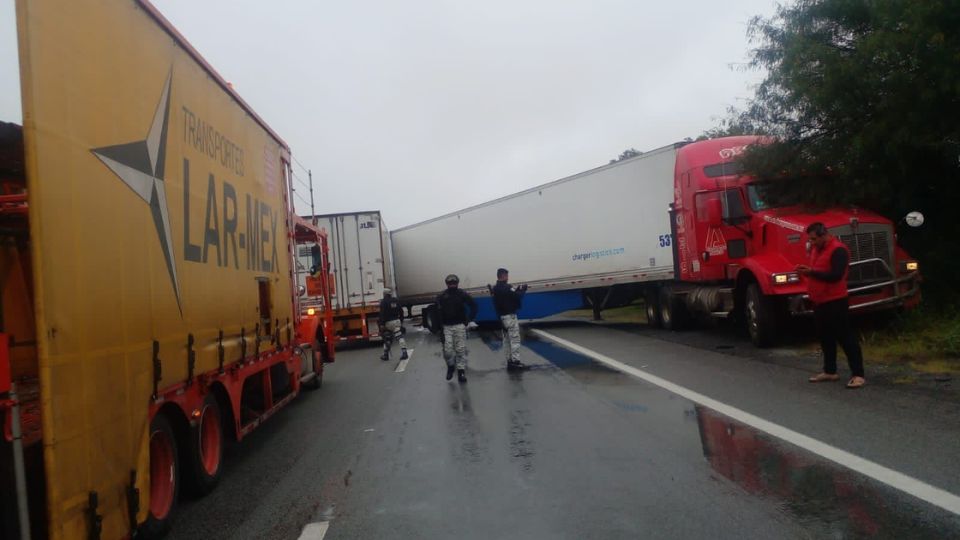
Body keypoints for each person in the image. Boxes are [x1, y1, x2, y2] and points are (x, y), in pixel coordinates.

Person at [796, 222, 866, 389]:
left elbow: (836, 276)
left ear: (823, 235)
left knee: (845, 337)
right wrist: (807, 272)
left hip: (836, 300)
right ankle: (830, 371)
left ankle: (858, 374)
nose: (811, 242)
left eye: (814, 239)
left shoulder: (838, 250)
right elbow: (818, 269)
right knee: (825, 337)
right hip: (819, 300)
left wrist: (811, 272)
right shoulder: (816, 249)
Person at [435, 274, 477, 383]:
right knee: (448, 351)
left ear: (457, 283)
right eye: (450, 283)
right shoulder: (442, 296)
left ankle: (461, 371)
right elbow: (438, 313)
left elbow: (474, 305)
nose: (452, 285)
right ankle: (450, 366)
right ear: (447, 284)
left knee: (460, 349)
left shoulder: (462, 294)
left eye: (454, 283)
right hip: (447, 327)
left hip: (459, 325)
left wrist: (468, 319)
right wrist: (440, 329)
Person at [488, 268, 528, 370]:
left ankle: (509, 361)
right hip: (510, 316)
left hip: (502, 317)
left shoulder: (495, 288)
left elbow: (508, 296)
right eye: (507, 275)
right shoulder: (507, 287)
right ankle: (516, 361)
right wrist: (523, 290)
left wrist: (517, 290)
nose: (507, 278)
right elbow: (517, 297)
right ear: (503, 276)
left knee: (506, 340)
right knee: (514, 339)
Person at [378, 289, 408, 361]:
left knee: (387, 338)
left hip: (388, 323)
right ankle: (404, 353)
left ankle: (386, 355)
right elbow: (401, 311)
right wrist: (401, 320)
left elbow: (382, 314)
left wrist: (381, 324)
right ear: (390, 294)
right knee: (400, 337)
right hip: (397, 321)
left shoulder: (383, 302)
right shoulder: (396, 300)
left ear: (384, 294)